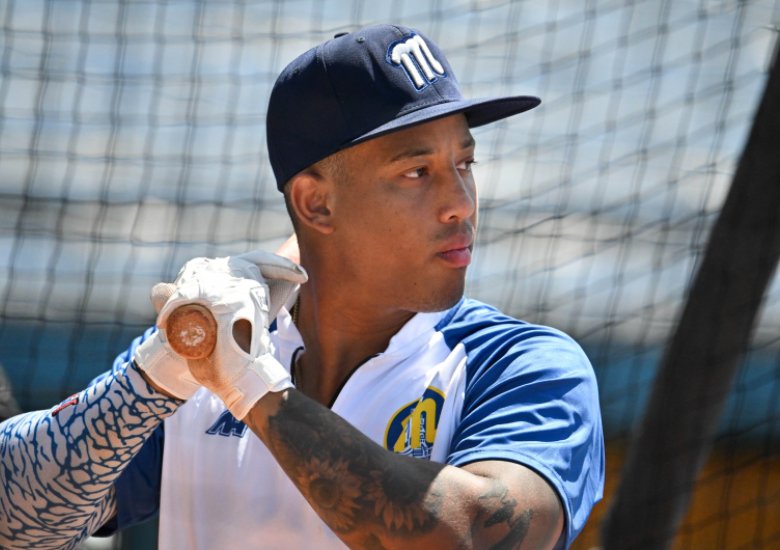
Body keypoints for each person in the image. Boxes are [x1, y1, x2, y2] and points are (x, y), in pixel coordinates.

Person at [0, 25, 603, 550]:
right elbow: (16, 521)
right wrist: (152, 377)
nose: (459, 203)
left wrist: (255, 391)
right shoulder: (211, 358)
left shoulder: (521, 365)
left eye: (464, 164)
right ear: (316, 203)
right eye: (417, 172)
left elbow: (476, 537)